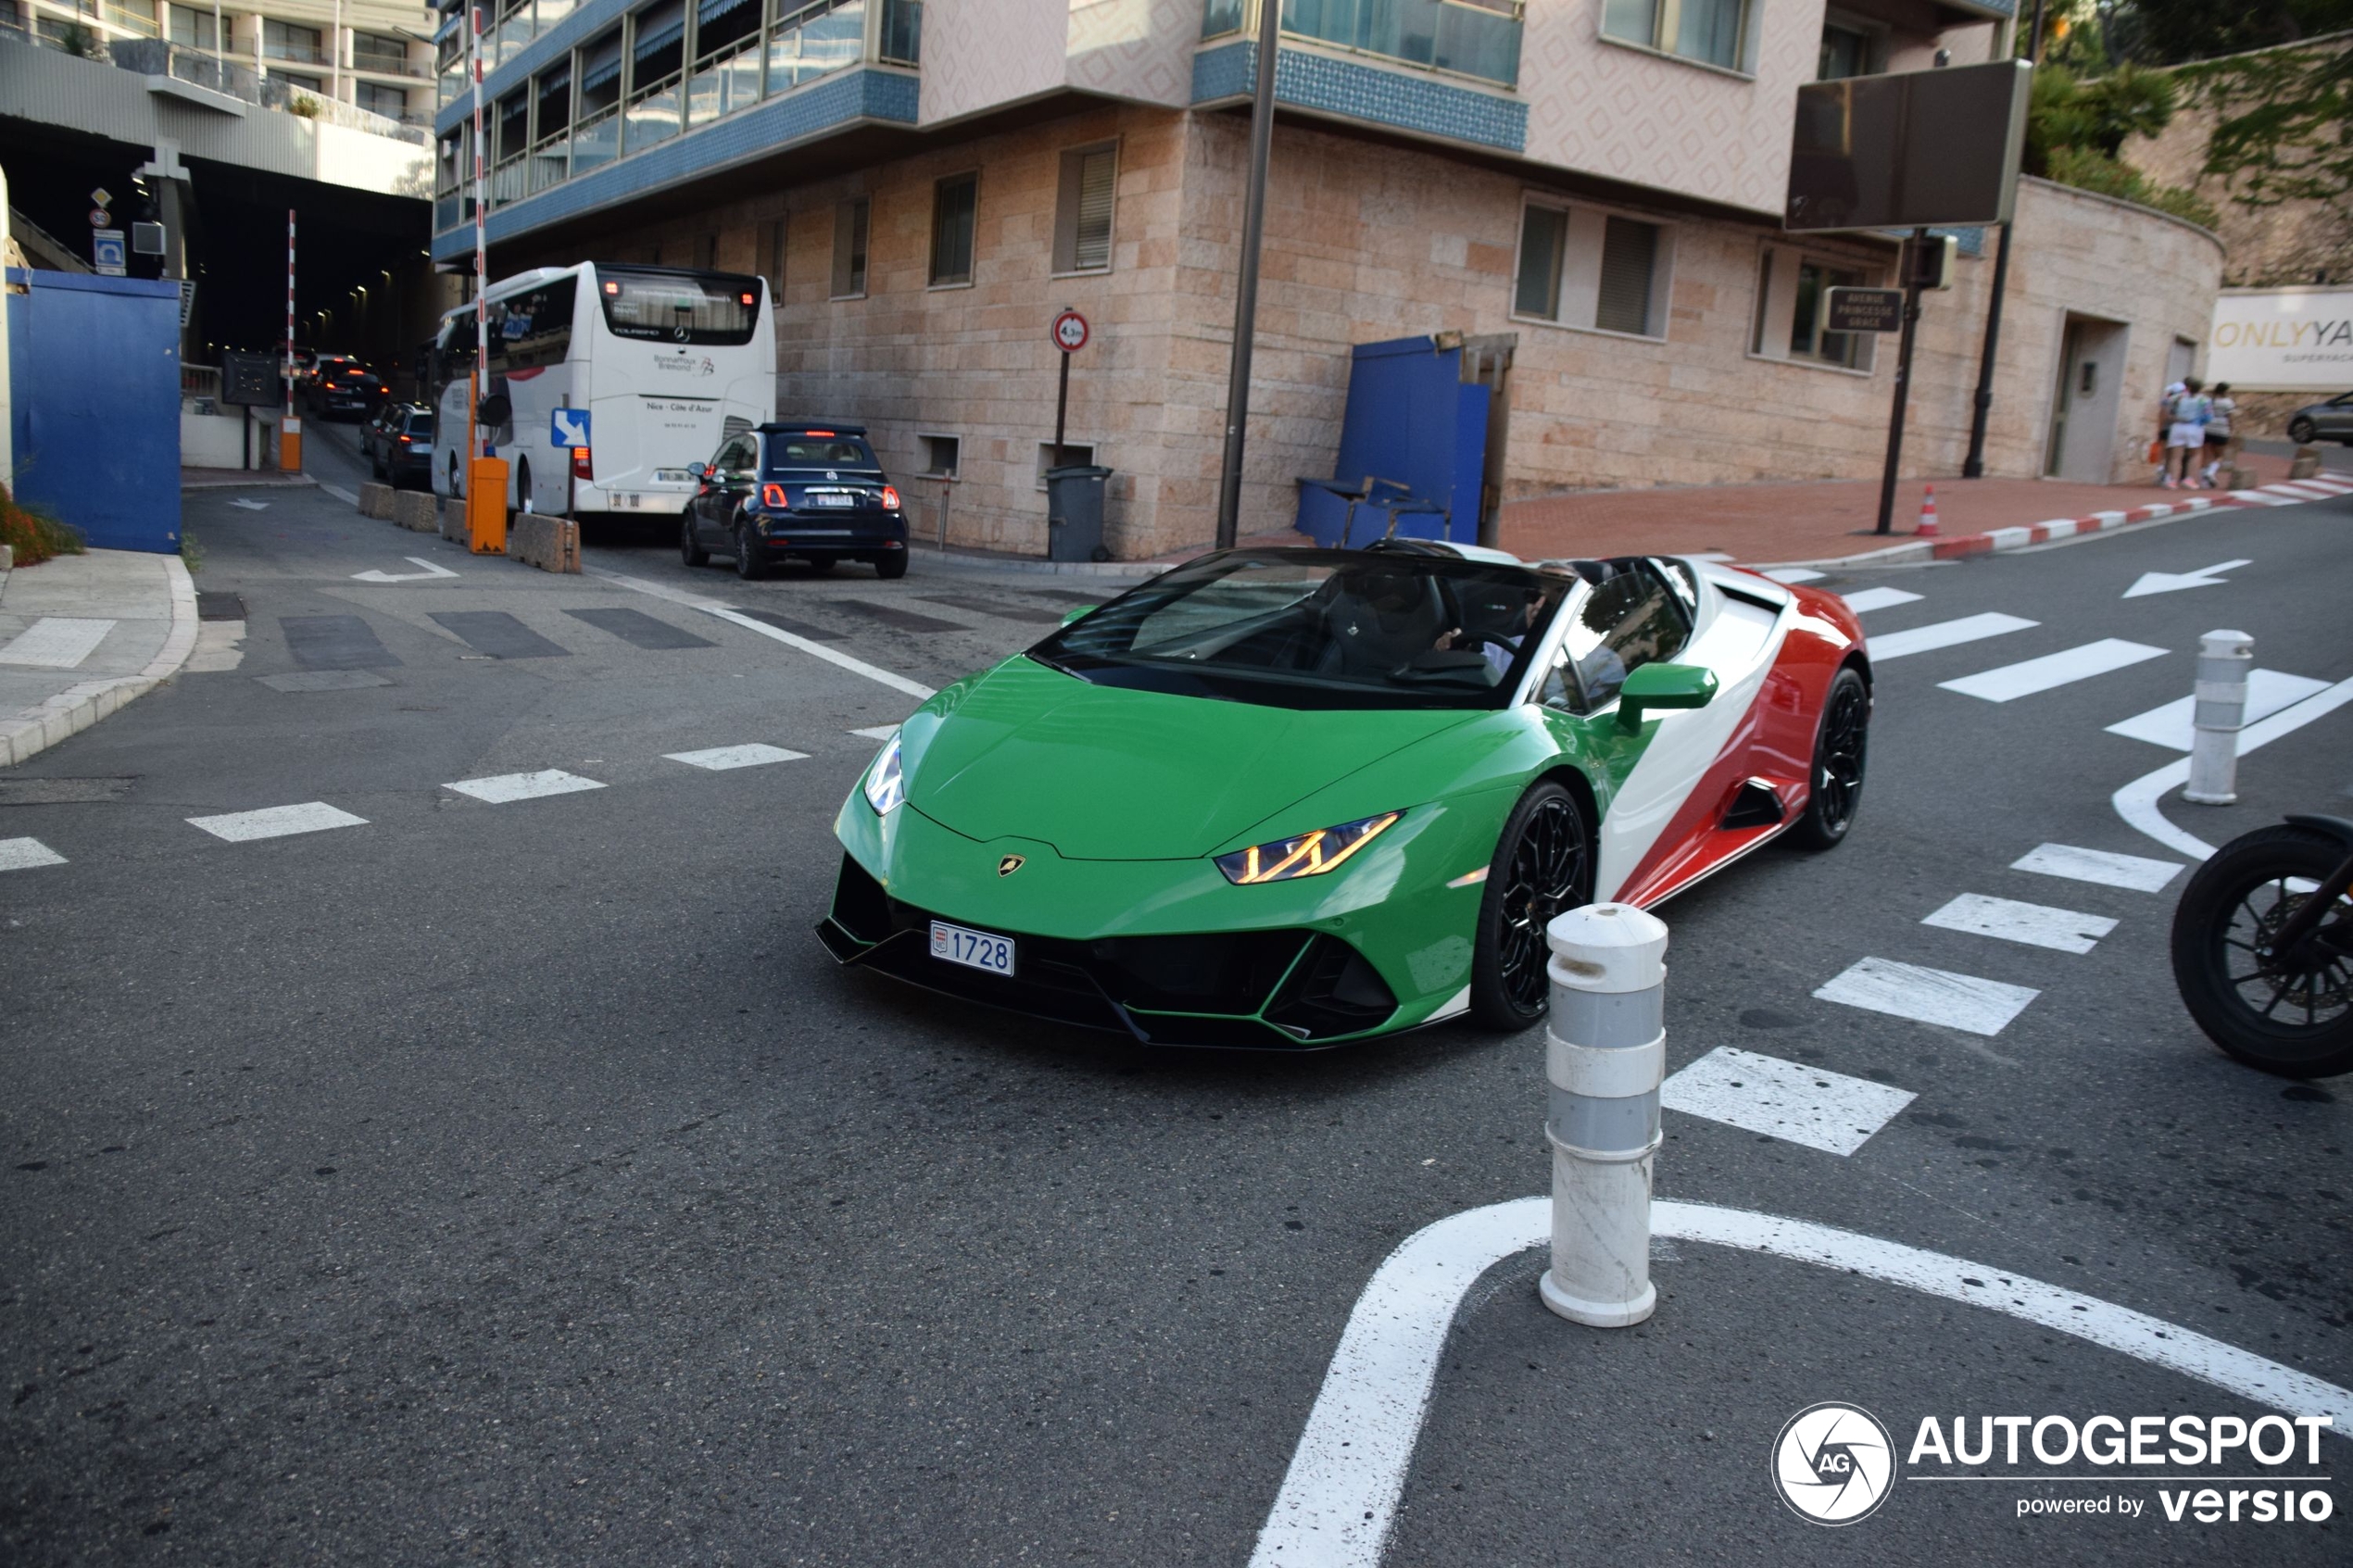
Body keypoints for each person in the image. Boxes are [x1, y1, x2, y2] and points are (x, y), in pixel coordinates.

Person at [2163, 377, 2210, 489]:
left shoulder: (2179, 397)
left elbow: (2166, 402)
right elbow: (2208, 416)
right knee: (2195, 454)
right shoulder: (2204, 400)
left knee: (2175, 456)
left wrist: (2172, 416)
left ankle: (2173, 480)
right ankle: (2189, 479)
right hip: (2195, 427)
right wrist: (2200, 422)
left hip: (2178, 426)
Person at [2202, 383, 2237, 488]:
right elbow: (2229, 417)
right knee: (2219, 455)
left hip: (2207, 428)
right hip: (2221, 429)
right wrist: (2232, 429)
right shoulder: (2228, 403)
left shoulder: (2209, 400)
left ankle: (2204, 479)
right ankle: (2211, 472)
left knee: (2206, 454)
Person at [2154, 379, 2186, 483]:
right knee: (2173, 455)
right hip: (2178, 429)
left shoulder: (2166, 400)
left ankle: (2161, 470)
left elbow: (2162, 415)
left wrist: (2159, 429)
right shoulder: (2184, 401)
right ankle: (2168, 475)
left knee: (2164, 452)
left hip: (2166, 428)